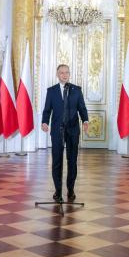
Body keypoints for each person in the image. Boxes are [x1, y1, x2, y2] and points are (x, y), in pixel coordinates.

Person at [41, 64, 89, 202]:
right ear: (57, 74)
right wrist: (45, 122)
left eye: (67, 72)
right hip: (57, 130)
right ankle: (58, 191)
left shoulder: (76, 90)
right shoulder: (51, 91)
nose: (64, 75)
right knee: (57, 161)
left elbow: (82, 108)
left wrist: (85, 120)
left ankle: (71, 190)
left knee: (72, 161)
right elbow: (47, 110)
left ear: (69, 74)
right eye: (62, 72)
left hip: (73, 130)